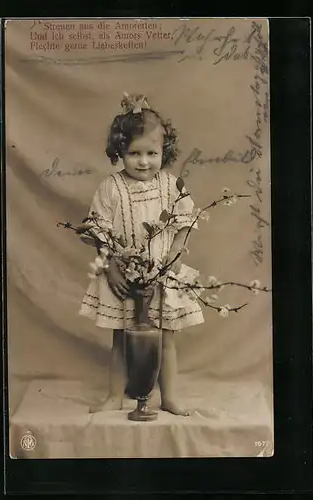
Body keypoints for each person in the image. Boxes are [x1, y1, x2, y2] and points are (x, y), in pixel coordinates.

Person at [79, 93, 204, 416]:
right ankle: (114, 396)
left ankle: (170, 397)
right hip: (124, 276)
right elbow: (100, 232)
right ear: (119, 151)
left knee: (165, 339)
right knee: (120, 339)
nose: (144, 161)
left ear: (165, 151)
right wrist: (111, 269)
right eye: (134, 153)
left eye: (152, 153)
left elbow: (183, 227)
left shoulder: (171, 186)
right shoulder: (111, 187)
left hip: (161, 278)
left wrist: (168, 267)